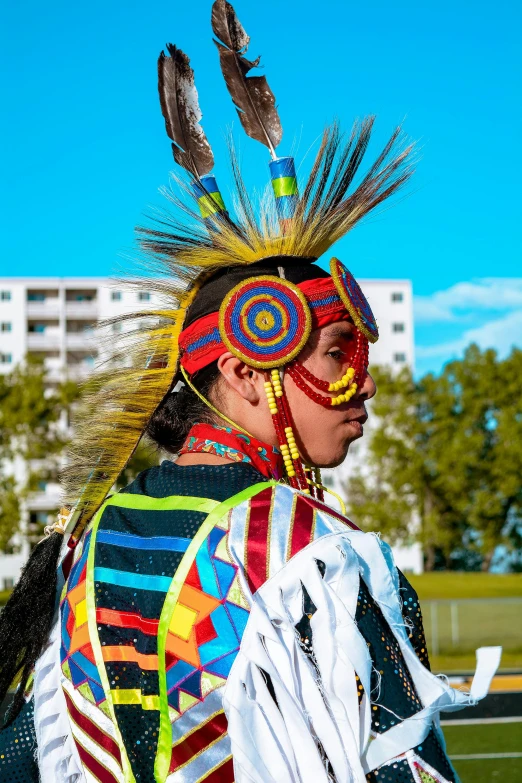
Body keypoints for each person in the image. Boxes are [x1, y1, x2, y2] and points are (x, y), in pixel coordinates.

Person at [0, 2, 499, 782]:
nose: (362, 384)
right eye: (338, 352)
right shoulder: (319, 559)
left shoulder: (84, 548)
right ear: (242, 368)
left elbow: (23, 754)